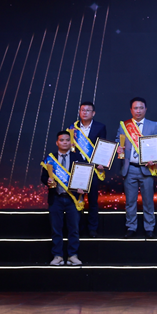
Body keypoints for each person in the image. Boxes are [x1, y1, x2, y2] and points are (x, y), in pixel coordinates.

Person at [116, 97, 157, 238]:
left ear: (145, 109)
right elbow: (118, 141)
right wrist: (118, 148)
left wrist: (154, 159)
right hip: (130, 168)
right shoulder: (124, 126)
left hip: (147, 168)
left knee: (148, 201)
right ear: (131, 110)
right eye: (135, 108)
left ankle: (149, 227)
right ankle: (131, 227)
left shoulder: (153, 125)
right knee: (130, 201)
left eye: (141, 108)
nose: (138, 110)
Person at [40, 130, 86, 265]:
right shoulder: (50, 158)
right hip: (56, 198)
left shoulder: (78, 157)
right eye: (62, 140)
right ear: (57, 142)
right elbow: (43, 177)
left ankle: (73, 255)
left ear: (70, 142)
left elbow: (84, 176)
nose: (64, 142)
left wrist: (82, 187)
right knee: (56, 229)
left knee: (74, 229)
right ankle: (57, 256)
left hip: (73, 199)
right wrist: (47, 181)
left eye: (67, 140)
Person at [69, 101, 106, 238]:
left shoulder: (100, 127)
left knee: (93, 200)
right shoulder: (72, 128)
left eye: (88, 110)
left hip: (93, 168)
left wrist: (102, 163)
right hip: (77, 169)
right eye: (82, 110)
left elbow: (103, 147)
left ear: (93, 113)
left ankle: (92, 228)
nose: (84, 113)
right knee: (77, 199)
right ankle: (77, 228)